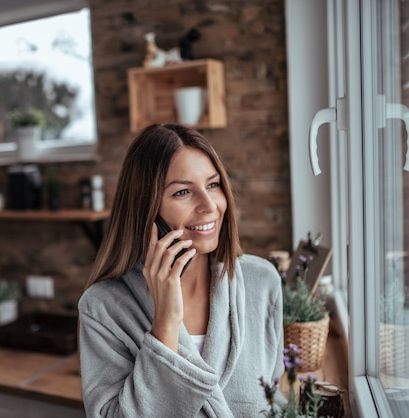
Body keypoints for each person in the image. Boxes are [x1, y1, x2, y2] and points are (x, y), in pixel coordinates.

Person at [78, 124, 285, 417]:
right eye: (183, 192)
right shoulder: (103, 307)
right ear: (146, 209)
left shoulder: (262, 282)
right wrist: (165, 321)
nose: (209, 205)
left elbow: (275, 400)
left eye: (213, 185)